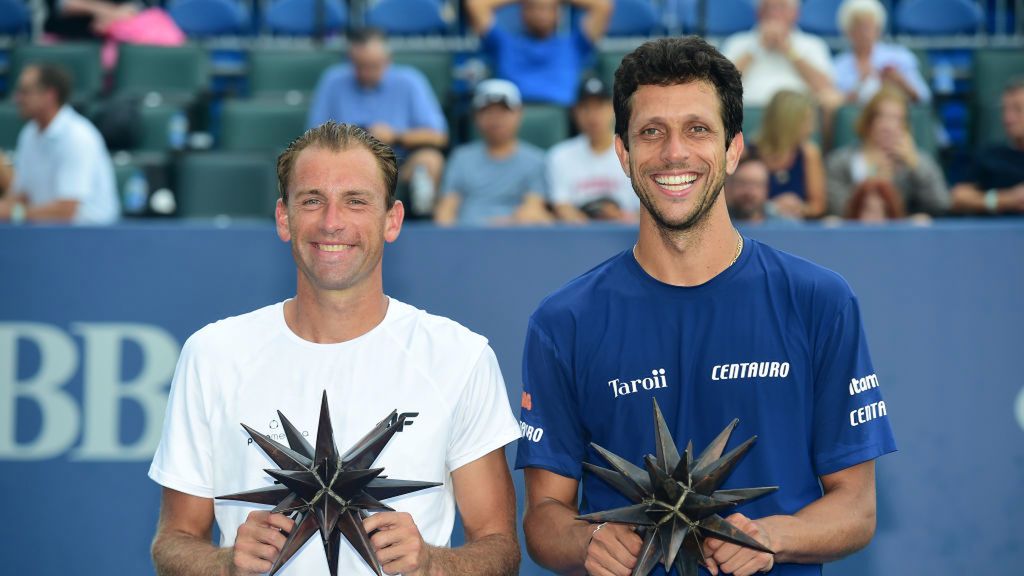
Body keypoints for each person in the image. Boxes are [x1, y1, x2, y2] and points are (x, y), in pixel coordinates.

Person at [516, 36, 895, 576]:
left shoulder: (819, 301)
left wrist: (769, 537)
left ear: (732, 149)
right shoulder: (563, 322)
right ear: (623, 153)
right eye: (652, 132)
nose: (674, 153)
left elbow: (857, 507)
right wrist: (590, 540)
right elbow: (543, 518)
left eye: (698, 129)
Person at [149, 122, 521, 576]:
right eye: (312, 200)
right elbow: (172, 543)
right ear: (284, 218)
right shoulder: (211, 355)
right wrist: (226, 564)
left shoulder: (460, 357)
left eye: (356, 201)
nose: (331, 222)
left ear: (392, 220)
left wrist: (433, 564)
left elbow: (501, 550)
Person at [308, 28, 448, 216]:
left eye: (373, 65)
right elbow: (313, 136)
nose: (366, 72)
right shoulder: (333, 81)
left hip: (398, 164)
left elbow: (438, 137)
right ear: (350, 60)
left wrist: (395, 136)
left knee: (430, 160)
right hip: (345, 164)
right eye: (360, 66)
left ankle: (421, 220)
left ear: (388, 60)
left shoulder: (410, 81)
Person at [0, 63, 119, 224]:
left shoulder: (78, 137)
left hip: (92, 240)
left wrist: (14, 213)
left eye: (25, 92)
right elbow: (22, 195)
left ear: (50, 95)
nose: (17, 98)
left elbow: (66, 210)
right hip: (48, 235)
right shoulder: (28, 134)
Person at [434, 79, 552, 226]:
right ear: (475, 117)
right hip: (465, 242)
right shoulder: (461, 158)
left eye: (503, 111)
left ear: (519, 114)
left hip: (517, 241)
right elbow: (446, 211)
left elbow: (533, 209)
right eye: (488, 111)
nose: (495, 118)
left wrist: (497, 227)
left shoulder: (536, 160)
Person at [825, 86, 949, 217]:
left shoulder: (917, 162)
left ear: (905, 126)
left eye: (896, 118)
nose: (888, 126)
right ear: (868, 120)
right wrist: (874, 180)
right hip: (853, 233)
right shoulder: (840, 161)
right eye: (882, 116)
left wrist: (915, 166)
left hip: (900, 234)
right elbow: (836, 208)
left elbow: (941, 204)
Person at [466, 0, 612, 106]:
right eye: (533, 8)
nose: (541, 14)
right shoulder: (503, 44)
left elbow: (603, 6)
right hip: (513, 117)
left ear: (558, 14)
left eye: (548, 8)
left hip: (564, 122)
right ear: (522, 12)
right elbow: (475, 4)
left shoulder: (574, 45)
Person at [547, 76, 638, 222]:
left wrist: (620, 218)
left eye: (599, 106)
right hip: (577, 237)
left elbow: (643, 210)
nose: (593, 115)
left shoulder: (633, 152)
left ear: (613, 109)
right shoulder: (560, 156)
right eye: (585, 107)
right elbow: (561, 206)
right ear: (575, 112)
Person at [721, 0, 840, 110]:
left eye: (781, 7)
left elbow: (825, 87)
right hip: (747, 109)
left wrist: (789, 51)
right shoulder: (737, 42)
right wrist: (757, 47)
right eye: (768, 8)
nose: (774, 13)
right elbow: (722, 83)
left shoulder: (813, 44)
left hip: (795, 112)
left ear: (795, 13)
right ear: (758, 13)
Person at [833, 0, 931, 105]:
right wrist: (858, 87)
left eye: (868, 27)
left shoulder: (900, 56)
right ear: (847, 31)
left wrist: (901, 82)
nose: (864, 33)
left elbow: (924, 97)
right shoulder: (838, 65)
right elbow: (836, 105)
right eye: (858, 27)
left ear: (879, 29)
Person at [950, 78, 1024, 215]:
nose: (1008, 118)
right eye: (1004, 110)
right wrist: (1005, 199)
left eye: (1017, 109)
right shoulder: (988, 156)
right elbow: (957, 198)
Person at [748, 89, 826, 218]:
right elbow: (732, 201)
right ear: (789, 122)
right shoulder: (748, 152)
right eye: (806, 121)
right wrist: (771, 207)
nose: (812, 129)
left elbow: (818, 206)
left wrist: (799, 207)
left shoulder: (809, 154)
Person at [725, 154, 793, 223]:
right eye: (742, 184)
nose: (749, 192)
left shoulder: (785, 230)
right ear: (730, 187)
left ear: (766, 189)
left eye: (756, 185)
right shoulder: (718, 227)